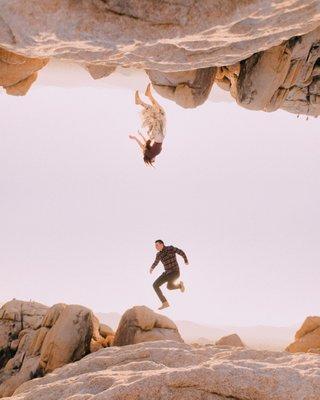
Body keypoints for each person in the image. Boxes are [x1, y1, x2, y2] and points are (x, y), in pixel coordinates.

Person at [129, 83, 166, 166]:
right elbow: (146, 143)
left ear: (149, 160)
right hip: (160, 134)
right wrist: (140, 135)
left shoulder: (150, 154)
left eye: (152, 161)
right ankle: (148, 95)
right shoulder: (152, 152)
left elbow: (142, 146)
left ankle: (141, 101)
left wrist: (135, 138)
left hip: (158, 135)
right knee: (161, 112)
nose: (154, 160)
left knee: (157, 112)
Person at [150, 239, 189, 310]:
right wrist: (152, 268)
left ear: (162, 244)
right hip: (167, 273)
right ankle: (165, 303)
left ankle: (180, 286)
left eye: (157, 245)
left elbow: (181, 252)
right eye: (155, 246)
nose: (156, 247)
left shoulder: (170, 248)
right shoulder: (158, 254)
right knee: (156, 285)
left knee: (169, 287)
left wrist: (185, 260)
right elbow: (156, 262)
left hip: (175, 272)